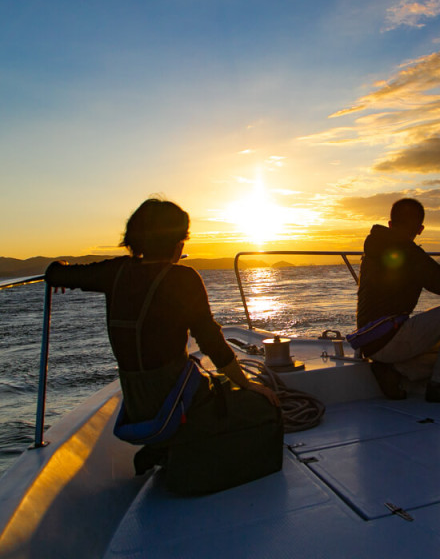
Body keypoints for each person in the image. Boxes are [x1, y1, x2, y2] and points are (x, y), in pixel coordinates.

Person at [45, 198, 282, 493]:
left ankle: (166, 447)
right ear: (175, 243)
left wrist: (58, 269)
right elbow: (212, 343)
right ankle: (184, 447)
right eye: (182, 239)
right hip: (175, 398)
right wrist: (247, 384)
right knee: (259, 403)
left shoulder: (115, 271)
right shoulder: (183, 279)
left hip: (137, 404)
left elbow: (59, 275)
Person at [356, 198, 440, 403]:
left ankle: (394, 371)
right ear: (420, 229)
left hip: (368, 342)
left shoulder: (372, 248)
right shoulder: (410, 253)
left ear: (390, 223)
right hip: (388, 338)